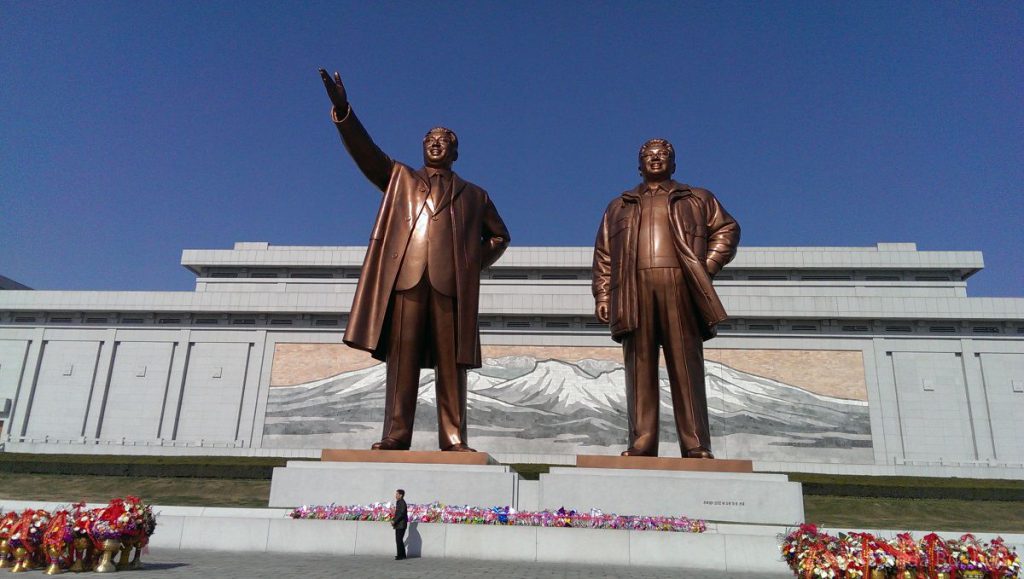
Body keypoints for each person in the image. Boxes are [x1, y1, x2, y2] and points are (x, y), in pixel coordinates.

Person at [318, 69, 510, 452]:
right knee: (401, 361)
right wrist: (343, 111)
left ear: (455, 152)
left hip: (450, 285)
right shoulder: (400, 178)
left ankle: (454, 437)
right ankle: (396, 433)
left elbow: (500, 236)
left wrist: (471, 263)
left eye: (444, 141)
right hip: (407, 279)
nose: (436, 144)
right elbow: (366, 154)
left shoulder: (475, 195)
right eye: (430, 140)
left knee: (451, 364)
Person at [592, 138, 740, 458]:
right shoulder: (619, 205)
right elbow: (604, 254)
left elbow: (727, 230)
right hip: (634, 289)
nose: (656, 159)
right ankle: (642, 441)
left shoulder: (697, 198)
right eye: (648, 155)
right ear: (639, 163)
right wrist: (603, 294)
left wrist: (705, 267)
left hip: (679, 285)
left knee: (685, 364)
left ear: (674, 163)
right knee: (639, 366)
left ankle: (696, 442)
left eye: (663, 155)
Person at [392, 489, 408, 560]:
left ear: (401, 495)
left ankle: (400, 555)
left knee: (398, 540)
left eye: (397, 494)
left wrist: (394, 521)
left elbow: (401, 514)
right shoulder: (399, 502)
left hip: (401, 525)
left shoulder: (402, 502)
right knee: (399, 540)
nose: (395, 495)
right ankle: (403, 555)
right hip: (399, 524)